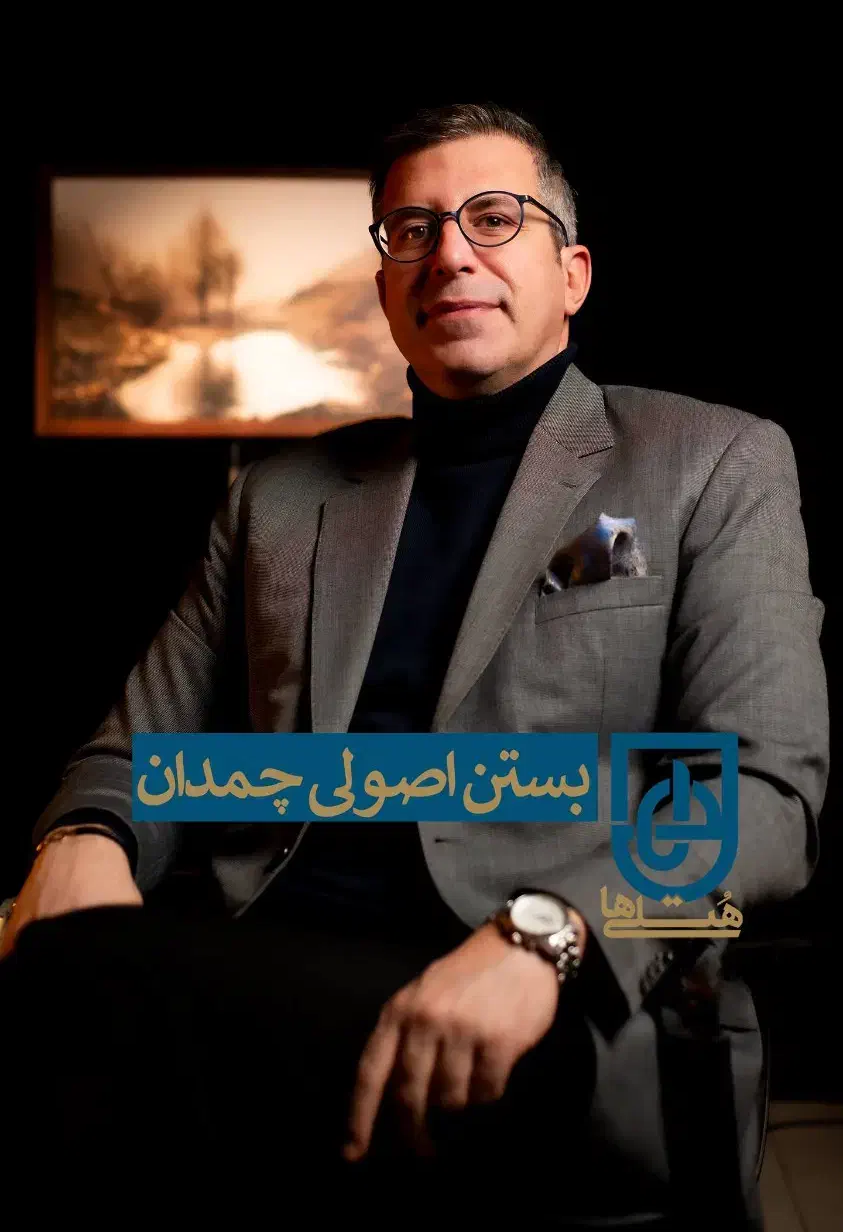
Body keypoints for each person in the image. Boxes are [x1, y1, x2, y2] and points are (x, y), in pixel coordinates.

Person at [0, 104, 828, 1226]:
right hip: (265, 955)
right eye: (412, 229)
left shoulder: (711, 460)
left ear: (573, 275)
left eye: (494, 217)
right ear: (387, 285)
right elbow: (135, 752)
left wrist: (549, 936)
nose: (449, 253)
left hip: (543, 994)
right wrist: (81, 841)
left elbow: (762, 790)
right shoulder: (278, 499)